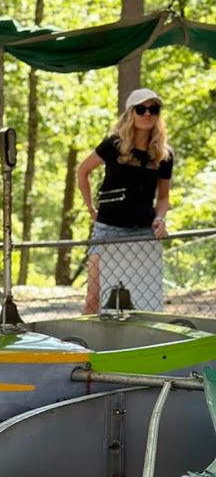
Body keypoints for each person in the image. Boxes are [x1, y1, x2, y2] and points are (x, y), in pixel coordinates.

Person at [77, 88, 173, 313]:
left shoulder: (163, 154)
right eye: (141, 109)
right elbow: (82, 171)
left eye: (153, 109)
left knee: (144, 302)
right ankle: (84, 347)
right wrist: (90, 208)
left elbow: (164, 196)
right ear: (131, 113)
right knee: (94, 299)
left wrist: (160, 218)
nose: (147, 114)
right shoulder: (113, 145)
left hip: (143, 233)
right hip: (108, 230)